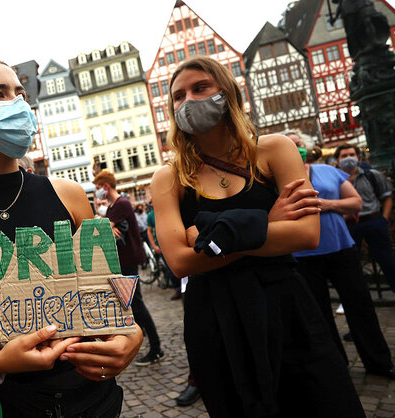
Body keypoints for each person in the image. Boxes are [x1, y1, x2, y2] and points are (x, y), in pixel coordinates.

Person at [0, 59, 143, 417]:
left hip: (84, 400)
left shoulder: (70, 195)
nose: (18, 103)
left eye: (19, 92)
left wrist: (132, 337)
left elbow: (110, 299)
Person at [150, 56, 363, 416]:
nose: (188, 100)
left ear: (227, 92)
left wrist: (214, 237)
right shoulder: (168, 178)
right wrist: (266, 221)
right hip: (215, 315)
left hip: (283, 301)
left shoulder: (274, 149)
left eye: (200, 88)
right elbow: (181, 262)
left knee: (322, 399)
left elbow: (307, 234)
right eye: (178, 96)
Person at [289, 135, 395, 384]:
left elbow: (356, 202)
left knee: (361, 307)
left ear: (306, 147)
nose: (294, 148)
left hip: (340, 248)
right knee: (319, 314)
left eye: (298, 143)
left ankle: (379, 362)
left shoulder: (327, 170)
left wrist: (327, 204)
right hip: (303, 255)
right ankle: (336, 367)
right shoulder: (274, 179)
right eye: (288, 144)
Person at [334, 144, 395, 314]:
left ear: (358, 157)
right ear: (337, 160)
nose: (348, 158)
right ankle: (347, 299)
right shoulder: (335, 178)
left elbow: (387, 197)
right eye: (344, 155)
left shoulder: (372, 175)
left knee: (386, 259)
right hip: (348, 225)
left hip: (372, 220)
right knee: (348, 265)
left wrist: (383, 219)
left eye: (351, 154)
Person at [94, 171, 164, 366]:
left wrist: (105, 224)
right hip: (122, 260)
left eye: (98, 188)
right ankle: (143, 340)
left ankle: (156, 348)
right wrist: (107, 225)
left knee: (136, 303)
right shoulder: (114, 206)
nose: (97, 192)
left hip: (128, 260)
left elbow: (101, 227)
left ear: (105, 187)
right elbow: (107, 228)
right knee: (131, 304)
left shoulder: (121, 204)